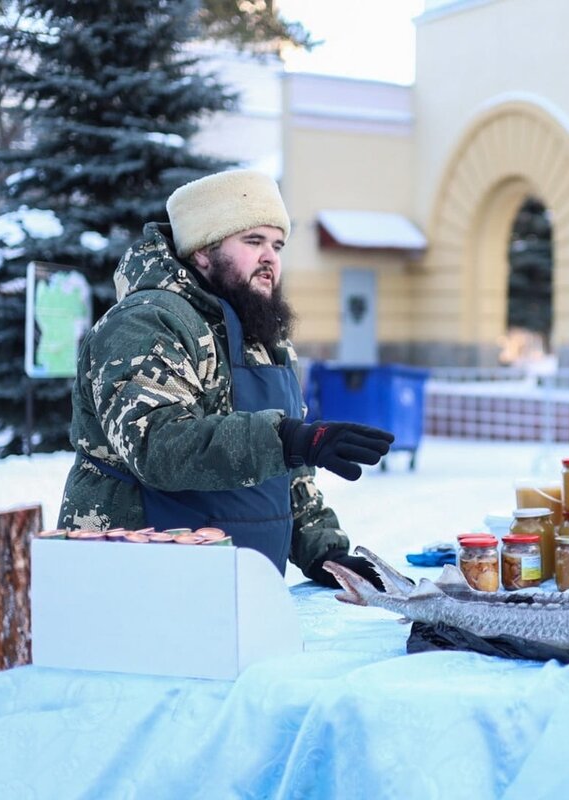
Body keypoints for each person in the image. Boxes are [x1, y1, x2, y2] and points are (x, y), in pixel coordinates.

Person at [57, 169, 394, 587]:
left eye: (277, 245)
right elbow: (159, 445)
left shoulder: (262, 335)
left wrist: (326, 553)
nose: (269, 258)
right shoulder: (147, 322)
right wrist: (288, 439)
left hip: (230, 586)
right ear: (202, 251)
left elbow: (285, 472)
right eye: (253, 241)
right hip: (132, 578)